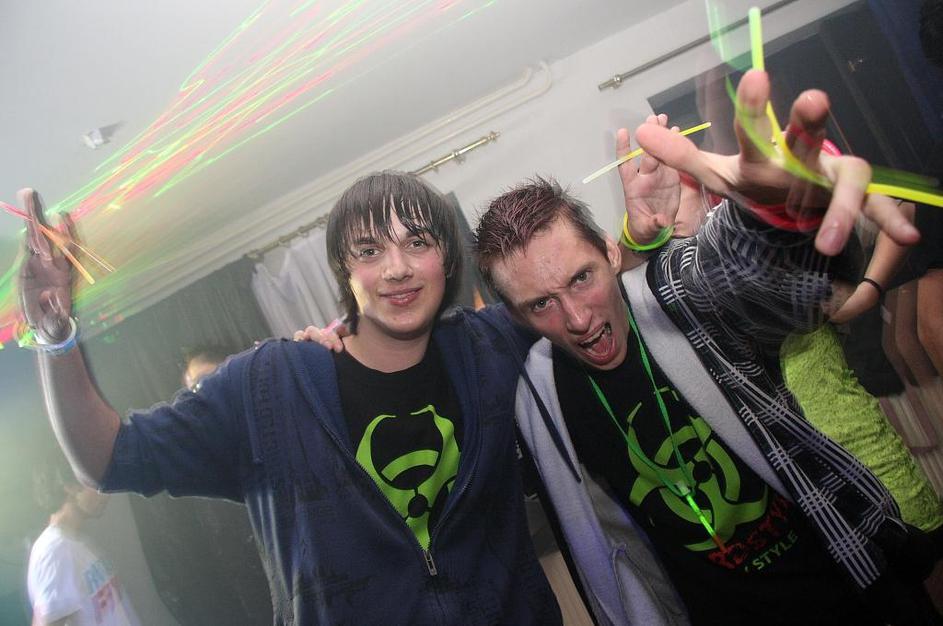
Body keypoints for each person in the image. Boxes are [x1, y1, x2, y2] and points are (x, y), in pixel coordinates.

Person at [301, 71, 935, 624]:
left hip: (857, 578)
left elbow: (752, 271)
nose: (577, 319)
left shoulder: (676, 293)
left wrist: (782, 219)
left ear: (611, 252)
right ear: (513, 315)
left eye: (581, 278)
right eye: (540, 304)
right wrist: (345, 347)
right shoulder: (535, 395)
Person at [17, 172, 560, 623]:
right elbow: (108, 458)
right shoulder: (270, 385)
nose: (397, 268)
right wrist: (55, 338)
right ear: (344, 271)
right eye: (369, 250)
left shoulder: (487, 345)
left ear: (448, 259)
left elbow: (589, 306)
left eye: (417, 243)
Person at [28, 461, 140, 626]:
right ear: (70, 487)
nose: (106, 493)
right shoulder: (54, 551)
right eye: (95, 483)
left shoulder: (77, 543)